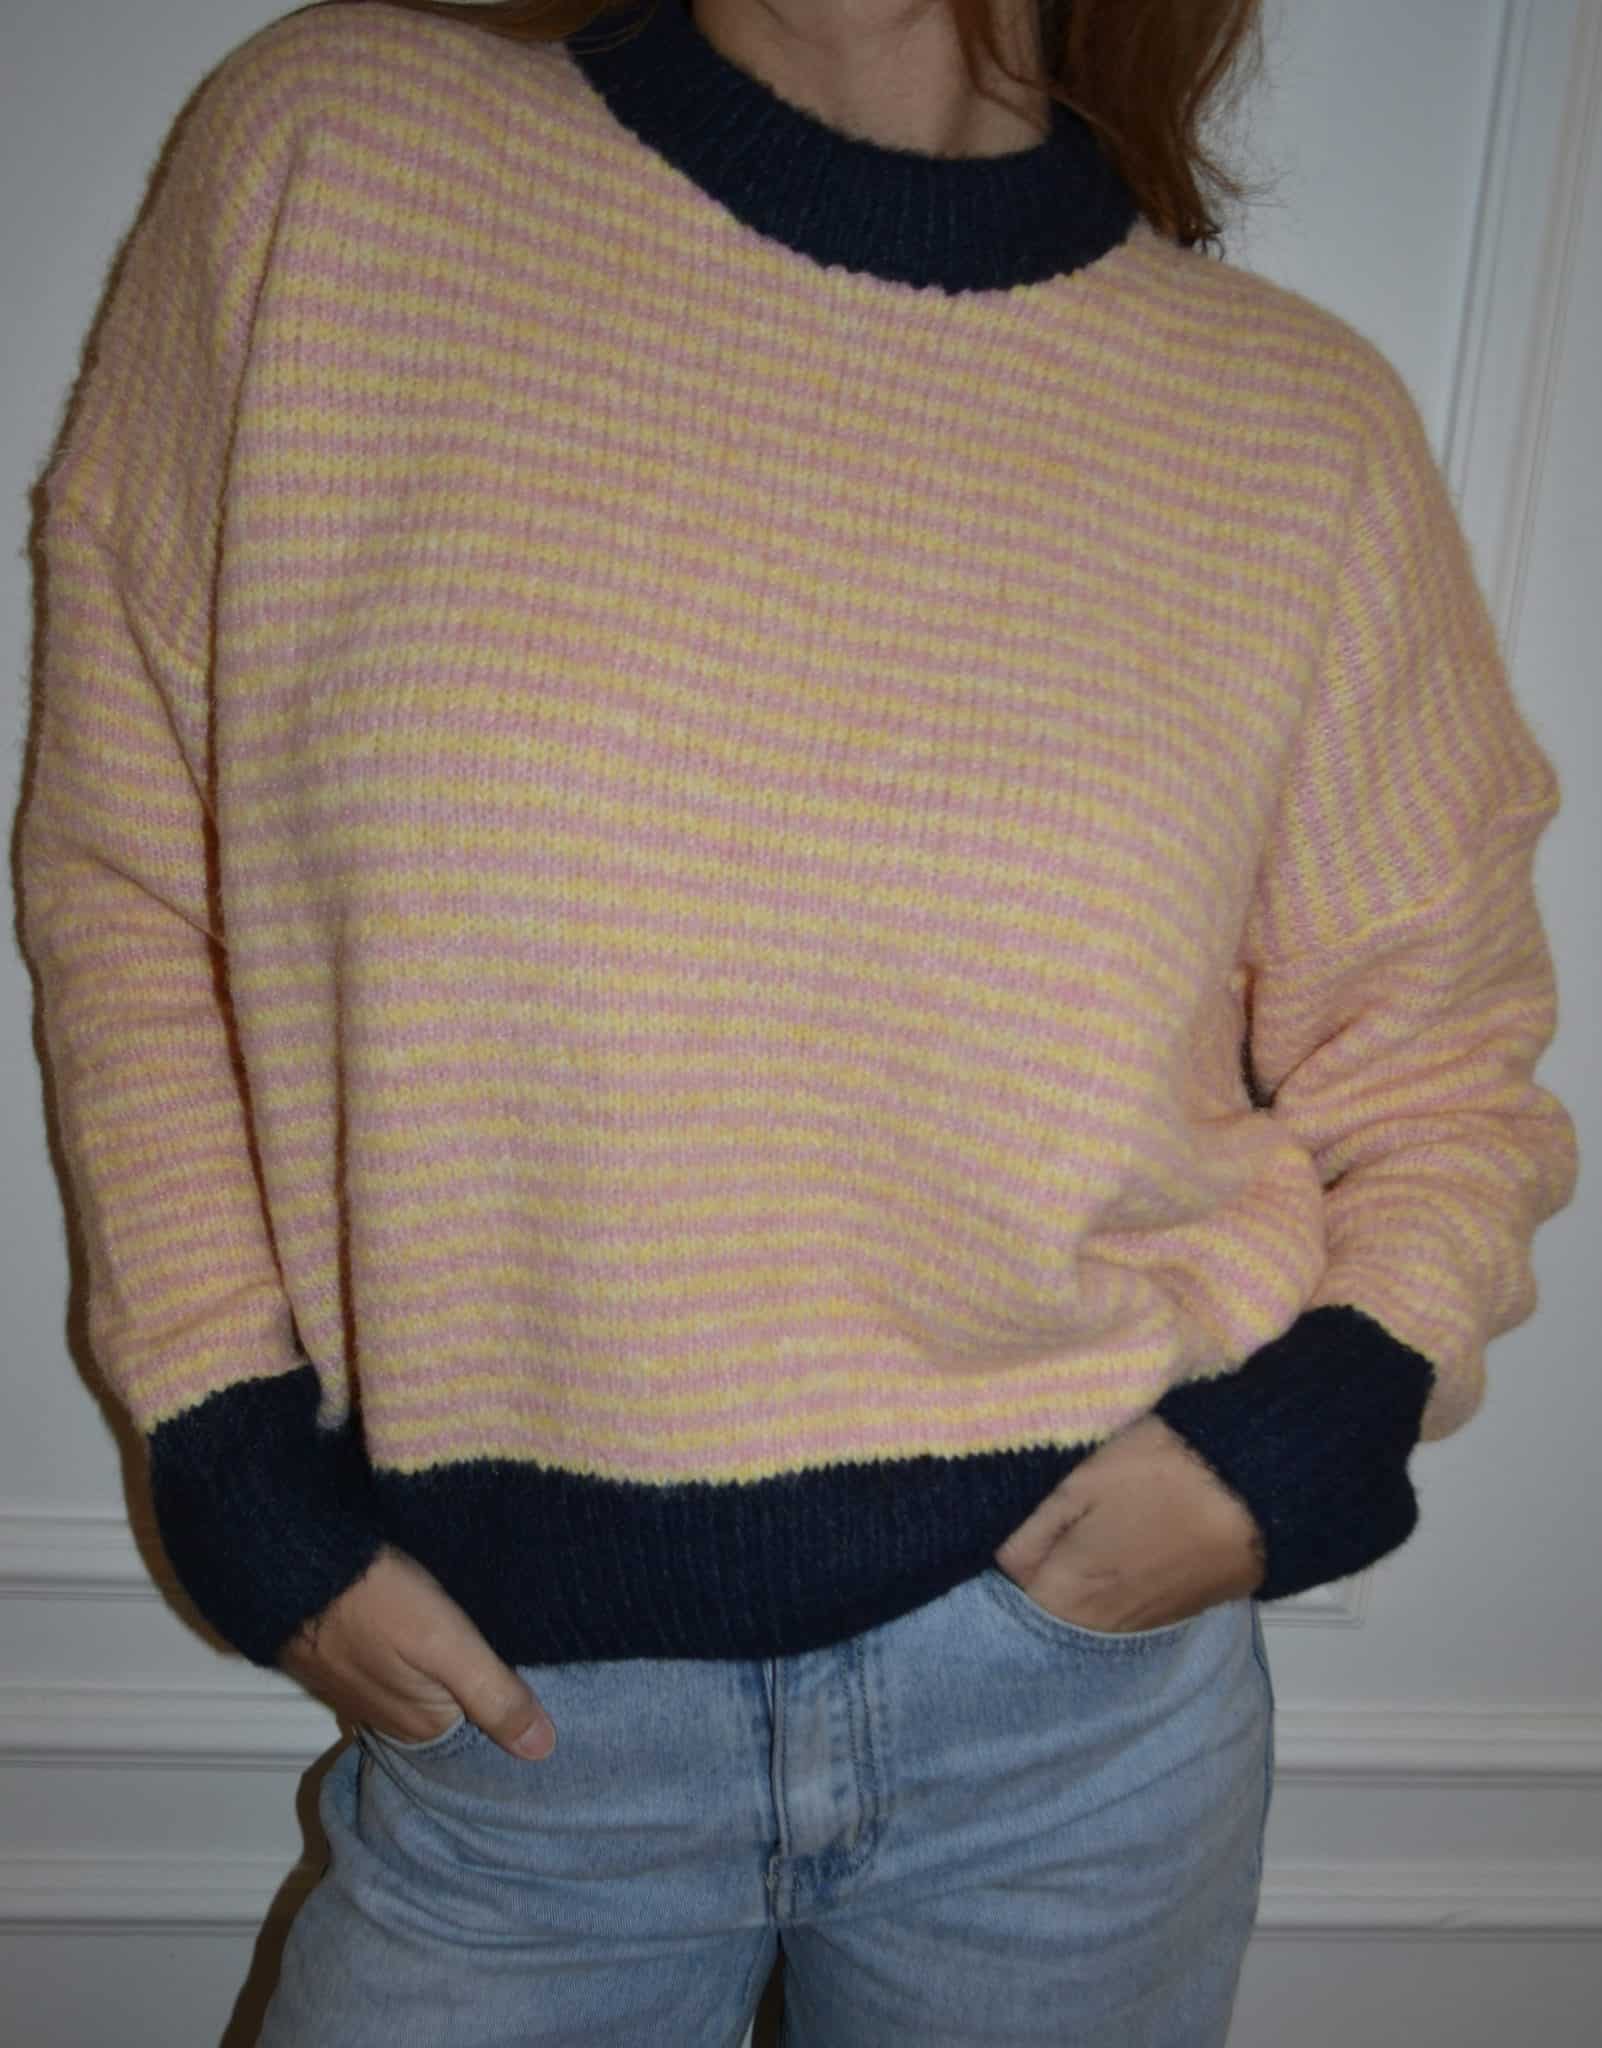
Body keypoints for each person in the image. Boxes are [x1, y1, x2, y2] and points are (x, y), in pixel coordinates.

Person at [14, 0, 1578, 2041]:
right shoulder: (338, 172)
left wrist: (1314, 1427)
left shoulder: (1293, 426)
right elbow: (135, 877)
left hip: (1075, 1714)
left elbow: (1441, 1065)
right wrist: (229, 1445)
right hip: (521, 1722)